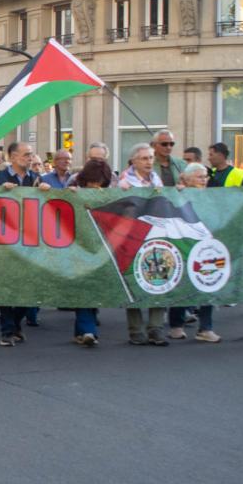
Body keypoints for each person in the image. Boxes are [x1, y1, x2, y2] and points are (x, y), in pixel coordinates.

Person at [0, 141, 51, 346]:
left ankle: (16, 323)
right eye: (26, 154)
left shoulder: (35, 178)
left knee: (30, 287)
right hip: (5, 240)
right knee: (6, 285)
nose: (30, 158)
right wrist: (1, 191)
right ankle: (7, 330)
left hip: (29, 241)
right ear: (13, 157)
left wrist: (46, 191)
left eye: (31, 154)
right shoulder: (0, 177)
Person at [116, 144, 168, 345]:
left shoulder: (156, 179)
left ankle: (156, 327)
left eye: (151, 158)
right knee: (134, 278)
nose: (149, 162)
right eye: (145, 158)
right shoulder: (123, 181)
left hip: (156, 234)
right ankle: (136, 329)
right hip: (132, 236)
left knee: (160, 277)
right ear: (134, 161)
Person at [167, 164, 220, 343]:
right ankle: (176, 325)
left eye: (205, 177)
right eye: (199, 177)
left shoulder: (212, 197)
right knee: (182, 285)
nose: (204, 180)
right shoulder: (178, 195)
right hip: (185, 246)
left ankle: (206, 328)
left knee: (208, 284)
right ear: (187, 179)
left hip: (207, 248)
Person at [68, 158, 116, 346]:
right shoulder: (73, 185)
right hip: (78, 246)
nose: (95, 187)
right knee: (84, 286)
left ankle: (81, 331)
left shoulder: (109, 191)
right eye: (92, 182)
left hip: (100, 247)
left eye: (99, 183)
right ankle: (88, 330)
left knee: (94, 287)